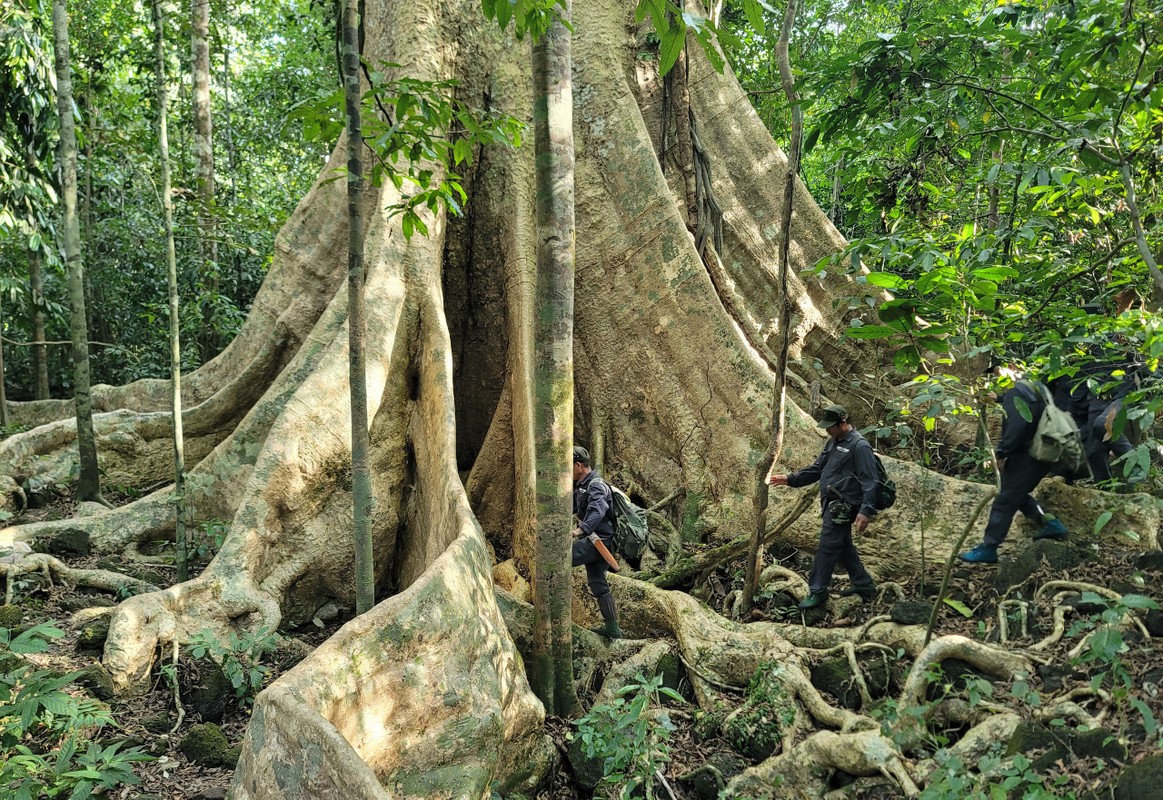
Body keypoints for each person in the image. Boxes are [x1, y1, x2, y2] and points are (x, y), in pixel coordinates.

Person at [767, 404, 879, 609]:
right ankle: (864, 584)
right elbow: (818, 469)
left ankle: (817, 590)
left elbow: (871, 480)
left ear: (843, 423)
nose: (827, 430)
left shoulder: (859, 446)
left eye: (831, 427)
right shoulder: (833, 442)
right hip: (831, 503)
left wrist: (865, 511)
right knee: (843, 546)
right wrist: (791, 479)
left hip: (845, 507)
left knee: (828, 546)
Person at [959, 366, 1068, 564]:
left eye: (998, 372)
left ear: (1011, 368)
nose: (996, 377)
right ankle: (1051, 523)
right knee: (1016, 493)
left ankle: (989, 548)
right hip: (1046, 451)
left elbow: (1017, 426)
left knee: (1004, 499)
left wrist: (1001, 453)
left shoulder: (1017, 392)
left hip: (1027, 455)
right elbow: (1030, 407)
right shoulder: (1035, 386)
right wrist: (999, 398)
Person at [572, 446, 621, 638]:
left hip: (599, 541)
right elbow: (576, 507)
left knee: (559, 560)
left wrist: (580, 530)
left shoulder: (596, 485)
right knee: (598, 582)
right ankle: (612, 628)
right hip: (595, 540)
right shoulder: (582, 484)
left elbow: (598, 510)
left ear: (578, 465)